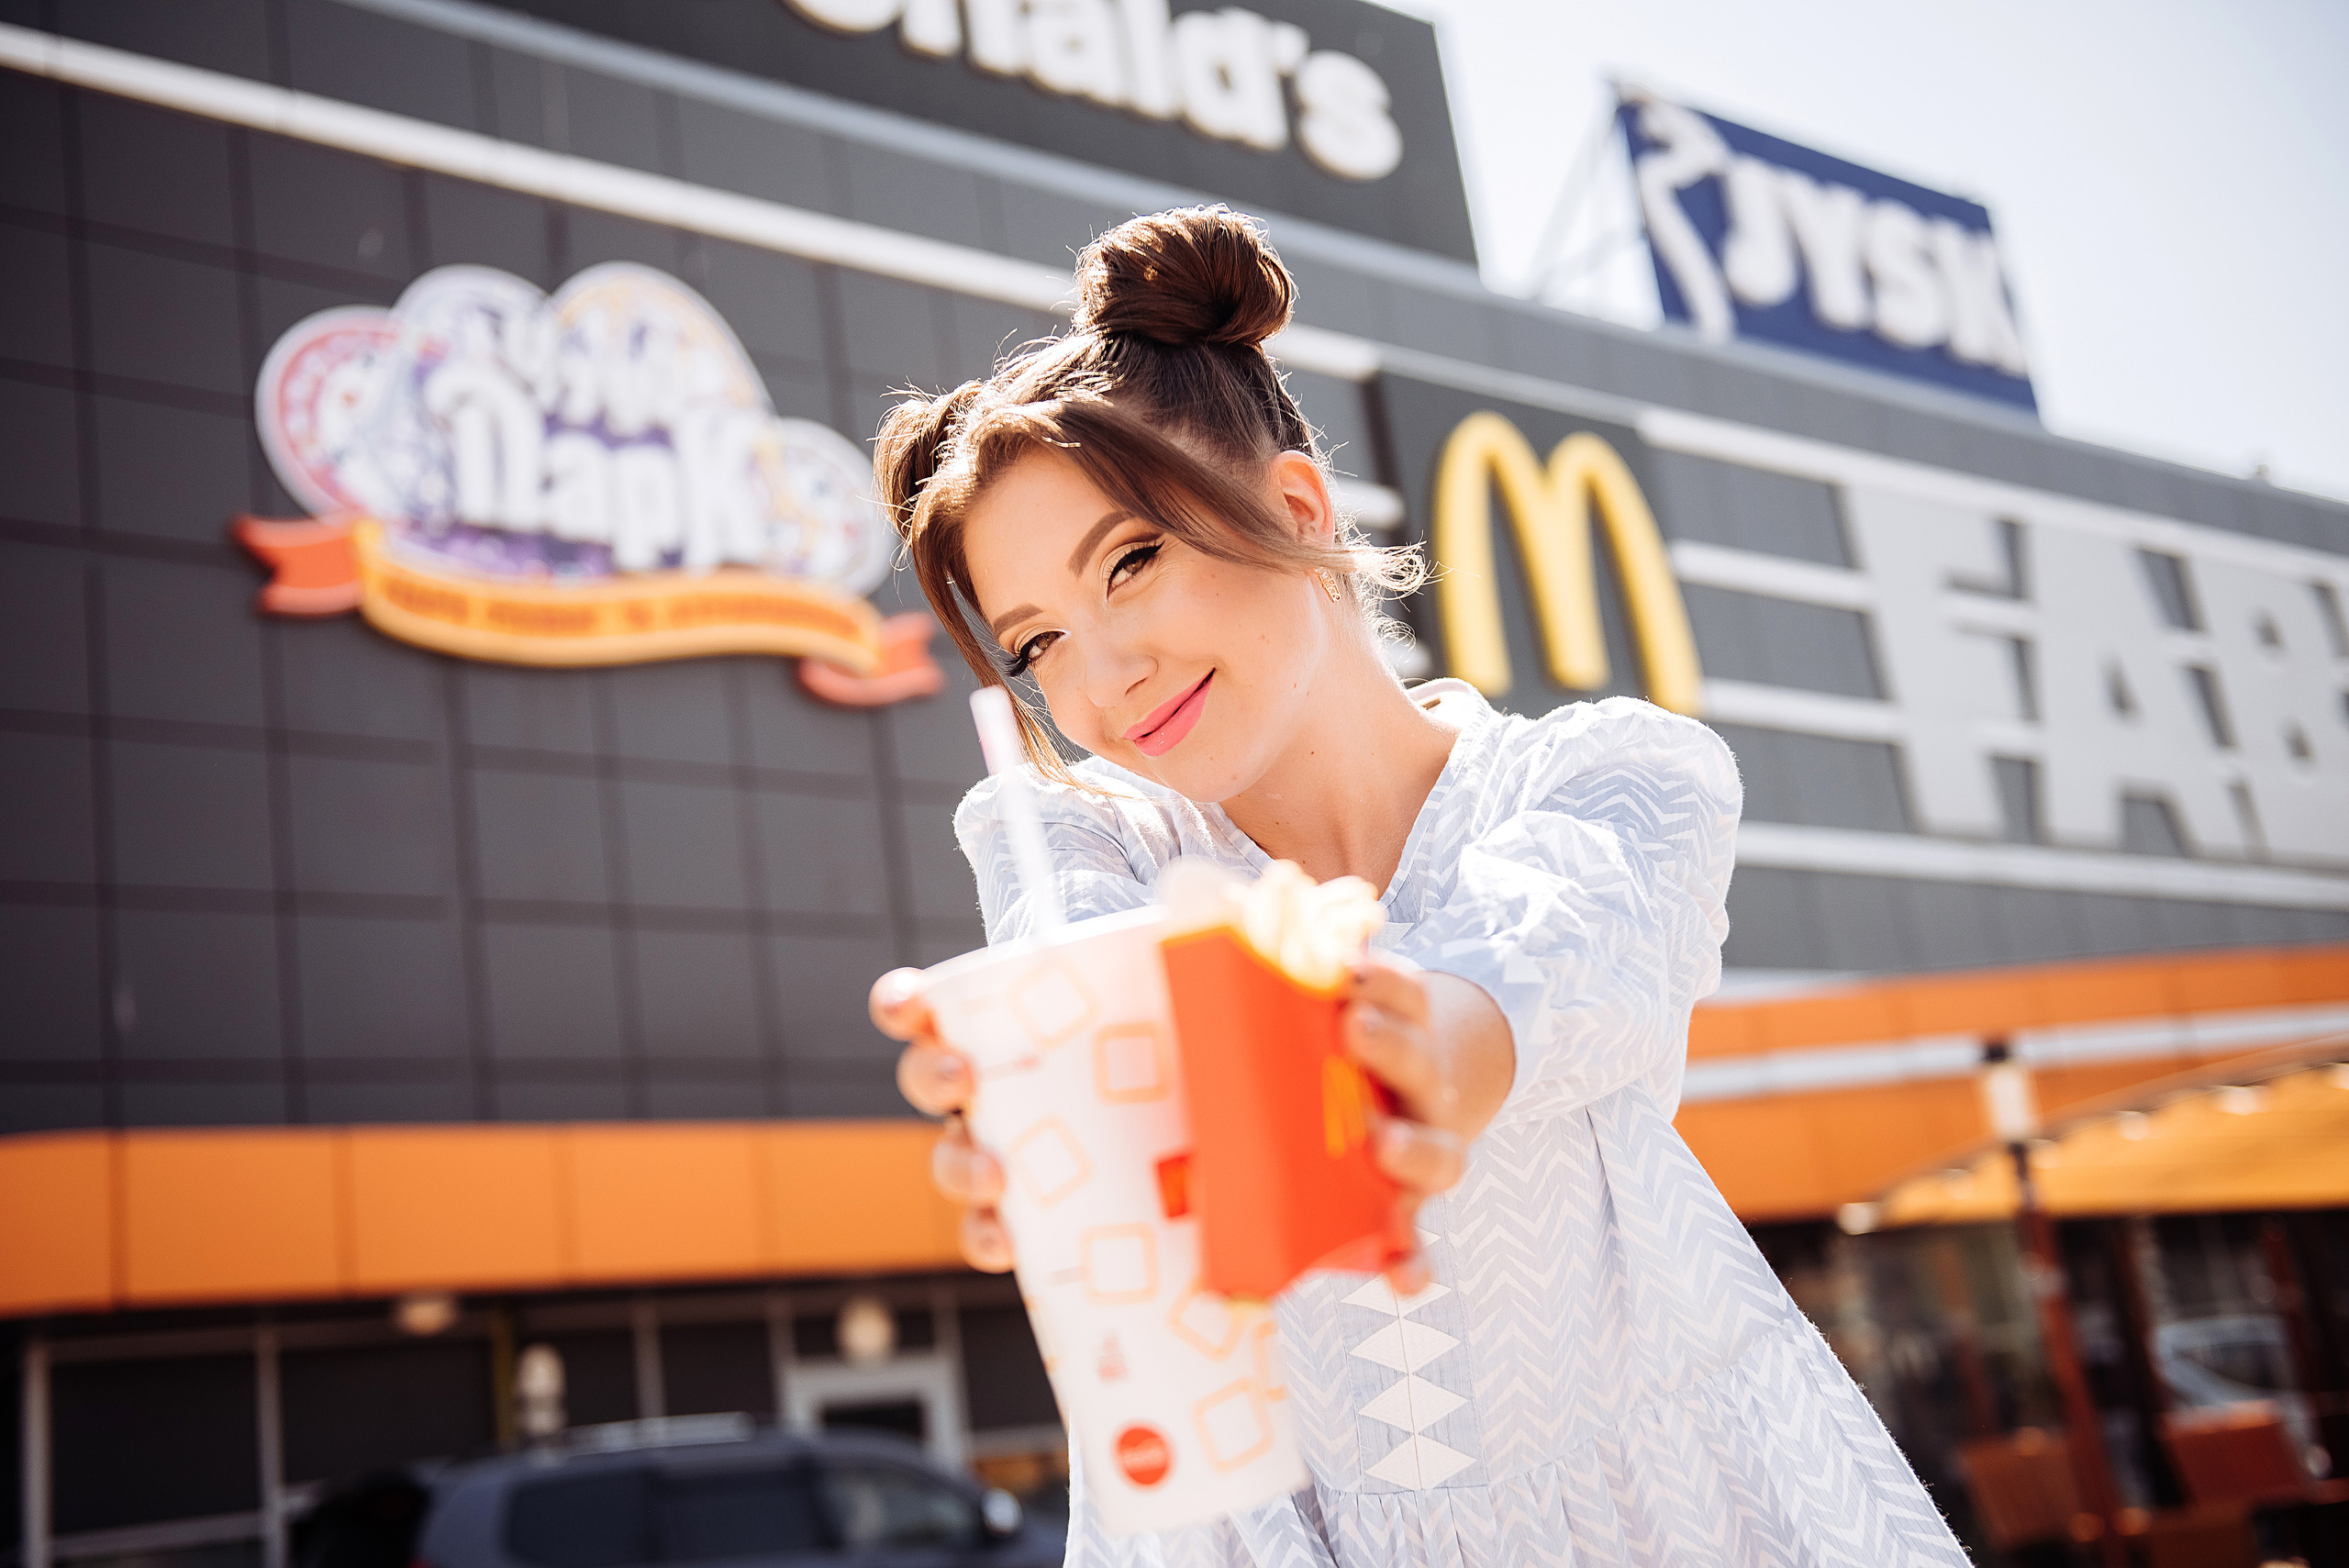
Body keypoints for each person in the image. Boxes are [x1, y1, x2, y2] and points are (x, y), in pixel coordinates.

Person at [867, 206, 1967, 1565]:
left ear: (1293, 507)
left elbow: (1554, 951)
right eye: (1035, 642)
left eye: (1133, 561)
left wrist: (1415, 1052)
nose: (1101, 676)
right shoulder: (1083, 839)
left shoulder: (1608, 776)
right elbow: (1095, 994)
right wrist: (1056, 1114)